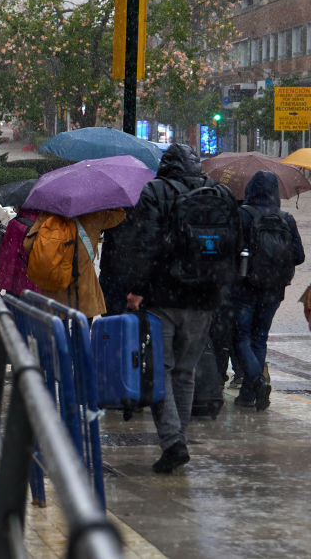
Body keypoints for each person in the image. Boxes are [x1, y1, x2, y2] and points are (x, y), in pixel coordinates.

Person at [120, 143, 238, 474]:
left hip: (164, 297)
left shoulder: (156, 191)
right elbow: (235, 245)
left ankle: (173, 441)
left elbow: (146, 245)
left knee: (160, 371)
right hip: (205, 297)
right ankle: (178, 438)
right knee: (185, 371)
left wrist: (137, 290)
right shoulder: (220, 193)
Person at [231, 170, 304, 411]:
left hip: (245, 287)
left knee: (241, 337)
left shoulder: (242, 215)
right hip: (274, 289)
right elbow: (300, 256)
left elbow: (229, 249)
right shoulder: (286, 219)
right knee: (259, 338)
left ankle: (257, 381)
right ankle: (248, 394)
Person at [24, 208, 125, 319]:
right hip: (82, 289)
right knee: (81, 330)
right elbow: (120, 215)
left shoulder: (47, 215)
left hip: (53, 284)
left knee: (58, 331)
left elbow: (28, 245)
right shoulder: (95, 215)